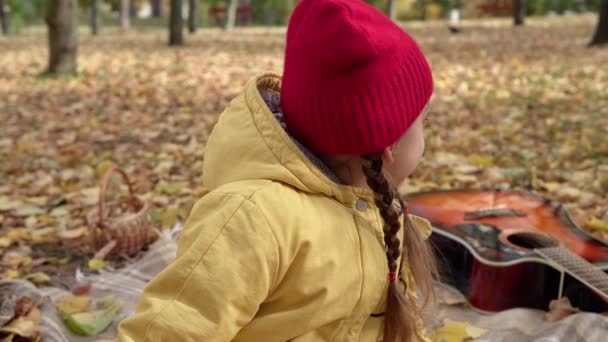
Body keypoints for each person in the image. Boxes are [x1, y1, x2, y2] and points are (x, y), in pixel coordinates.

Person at [118, 0, 437, 340]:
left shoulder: (378, 209)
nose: (426, 134)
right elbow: (173, 329)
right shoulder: (253, 219)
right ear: (388, 145)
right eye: (423, 122)